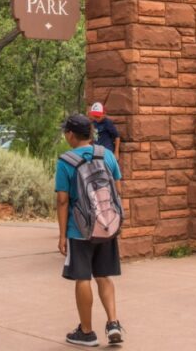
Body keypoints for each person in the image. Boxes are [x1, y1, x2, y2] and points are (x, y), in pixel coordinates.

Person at [56, 113, 125, 347]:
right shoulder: (106, 155)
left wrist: (62, 234)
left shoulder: (66, 161)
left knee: (82, 277)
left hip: (80, 230)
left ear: (71, 134)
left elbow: (63, 201)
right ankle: (113, 323)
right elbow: (117, 190)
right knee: (103, 275)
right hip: (106, 225)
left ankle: (86, 332)